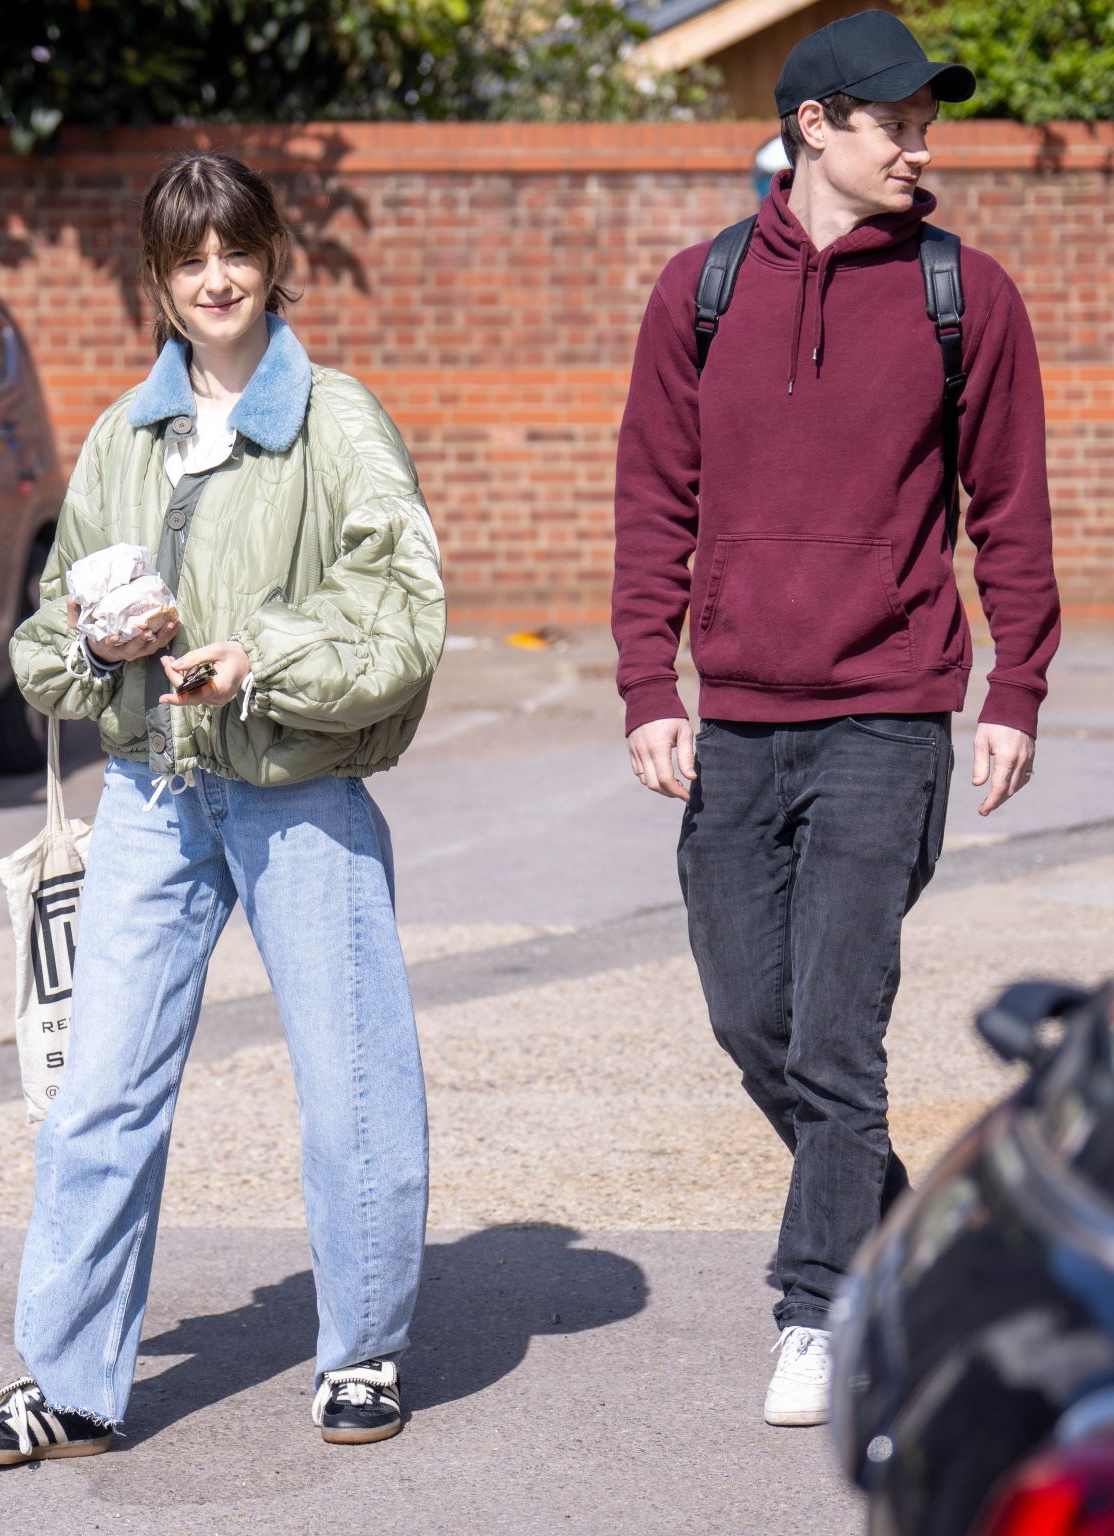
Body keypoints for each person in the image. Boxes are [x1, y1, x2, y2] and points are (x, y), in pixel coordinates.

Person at [0, 149, 444, 1465]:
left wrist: (258, 655)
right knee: (99, 1088)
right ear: (157, 281)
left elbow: (400, 626)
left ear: (274, 258)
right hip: (155, 795)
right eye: (187, 260)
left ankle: (363, 1350)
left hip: (298, 790)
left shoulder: (339, 423)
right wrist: (102, 648)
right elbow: (42, 642)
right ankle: (72, 1384)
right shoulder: (122, 435)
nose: (216, 280)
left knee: (351, 1084)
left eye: (236, 252)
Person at [612, 11, 1059, 1427]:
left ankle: (818, 1310)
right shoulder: (701, 291)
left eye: (925, 118)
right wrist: (645, 682)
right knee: (756, 1018)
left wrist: (1015, 692)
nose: (919, 141)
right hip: (737, 718)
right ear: (814, 125)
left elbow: (1013, 513)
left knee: (837, 1034)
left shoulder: (963, 295)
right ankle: (935, 1255)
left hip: (890, 712)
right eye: (893, 119)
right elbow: (651, 509)